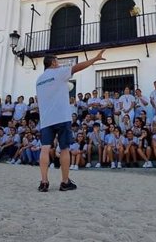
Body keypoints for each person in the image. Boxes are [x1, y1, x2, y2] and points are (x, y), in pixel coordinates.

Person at [35, 50, 106, 192]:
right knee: (65, 149)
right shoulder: (59, 72)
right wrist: (95, 59)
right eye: (57, 60)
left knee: (44, 149)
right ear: (53, 62)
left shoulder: (39, 80)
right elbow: (78, 67)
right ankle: (65, 182)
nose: (59, 63)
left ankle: (44, 182)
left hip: (46, 119)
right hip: (61, 117)